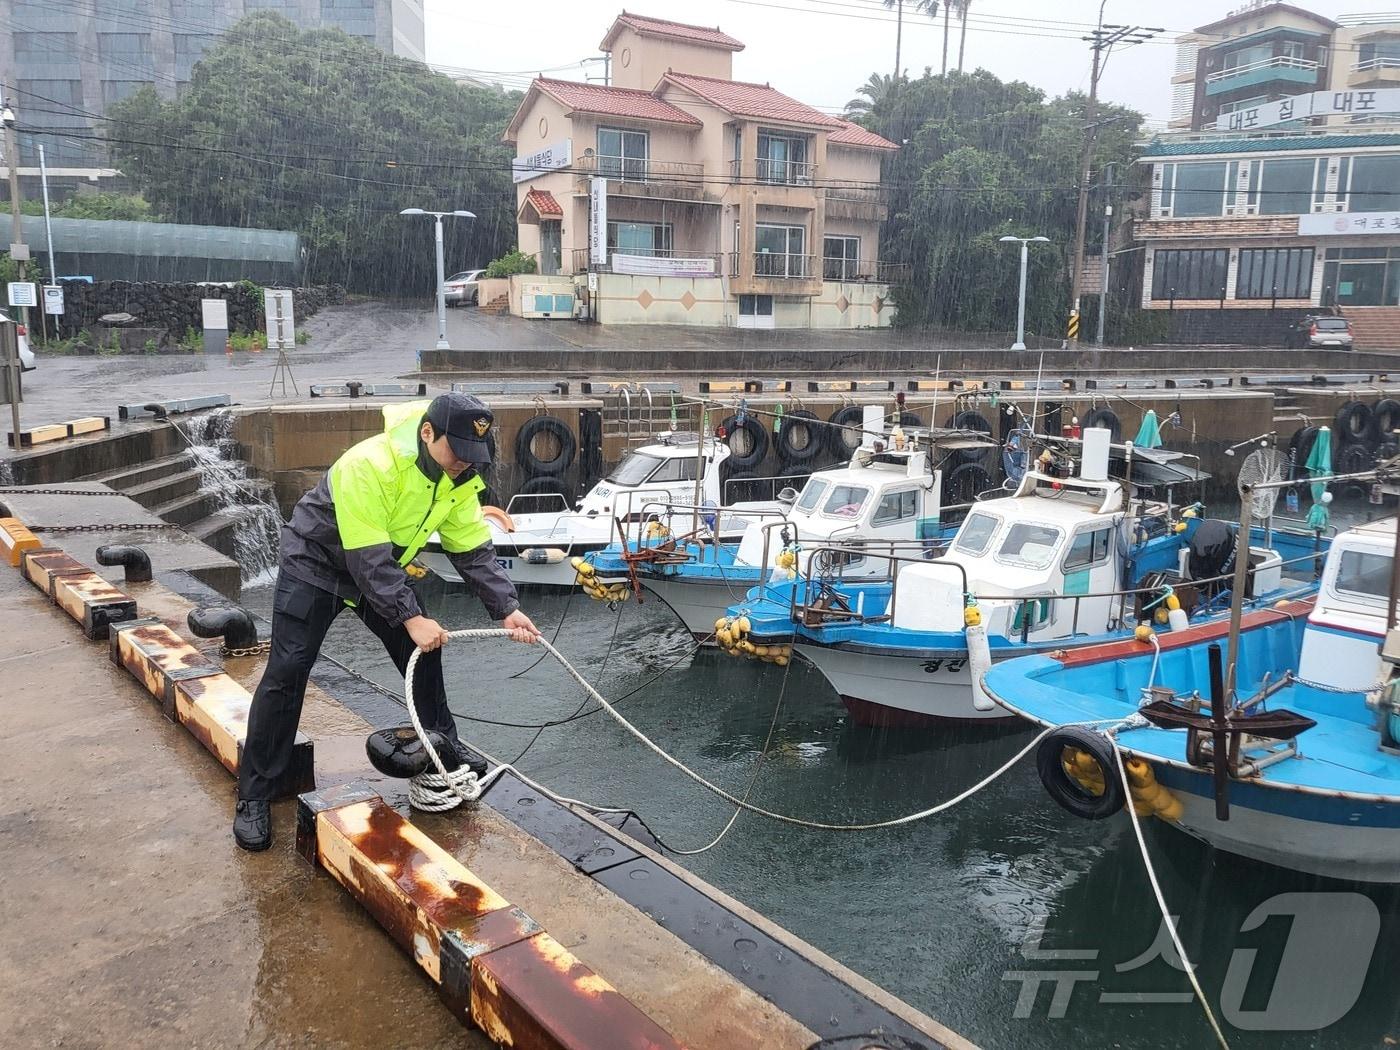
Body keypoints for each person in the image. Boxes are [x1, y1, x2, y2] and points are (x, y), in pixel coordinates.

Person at [233, 393, 539, 851]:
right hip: (317, 563)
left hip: (380, 570)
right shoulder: (370, 464)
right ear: (427, 432)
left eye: (471, 454)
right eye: (455, 450)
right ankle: (256, 793)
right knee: (288, 670)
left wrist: (506, 607)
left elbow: (471, 550)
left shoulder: (458, 477)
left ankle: (442, 759)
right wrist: (412, 616)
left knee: (425, 654)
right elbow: (366, 556)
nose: (462, 463)